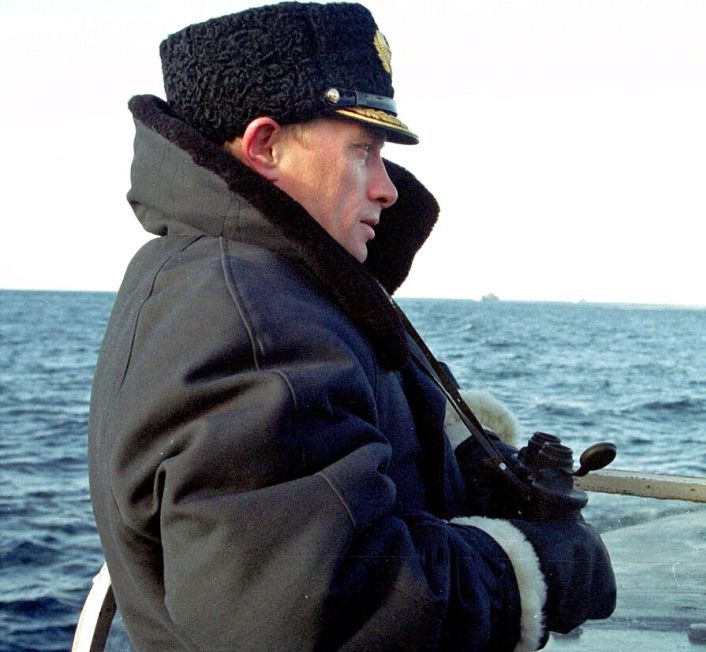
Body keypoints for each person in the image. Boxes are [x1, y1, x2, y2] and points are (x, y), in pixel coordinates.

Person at [88, 3, 616, 650]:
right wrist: (530, 571)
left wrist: (467, 467)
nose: (388, 189)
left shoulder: (274, 282)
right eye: (363, 151)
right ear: (264, 147)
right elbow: (327, 607)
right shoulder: (251, 322)